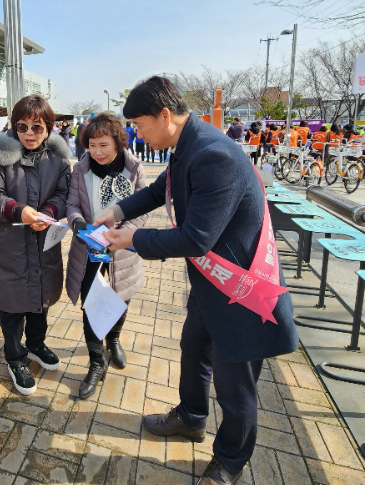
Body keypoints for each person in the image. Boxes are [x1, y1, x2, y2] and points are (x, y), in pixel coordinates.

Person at [95, 76, 298, 485]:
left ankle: (229, 461)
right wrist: (116, 212)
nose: (136, 133)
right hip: (211, 287)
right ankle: (191, 417)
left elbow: (195, 238)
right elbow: (160, 190)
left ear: (165, 116)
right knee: (194, 348)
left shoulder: (213, 154)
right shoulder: (187, 144)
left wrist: (133, 238)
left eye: (139, 124)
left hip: (241, 293)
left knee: (234, 384)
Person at [0, 95, 71, 396]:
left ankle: (36, 344)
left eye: (37, 127)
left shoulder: (57, 159)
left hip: (44, 243)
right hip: (9, 246)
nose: (29, 133)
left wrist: (50, 212)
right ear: (14, 126)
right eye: (22, 126)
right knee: (12, 306)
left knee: (40, 302)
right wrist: (19, 211)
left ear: (49, 129)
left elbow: (64, 192)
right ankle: (14, 356)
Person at [65, 113, 146, 399]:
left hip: (122, 250)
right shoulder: (81, 169)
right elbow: (72, 204)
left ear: (118, 142)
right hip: (87, 250)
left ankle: (114, 340)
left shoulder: (134, 168)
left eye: (103, 145)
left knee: (120, 299)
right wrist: (78, 225)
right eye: (92, 145)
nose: (97, 152)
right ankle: (96, 362)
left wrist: (123, 237)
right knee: (91, 304)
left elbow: (142, 209)